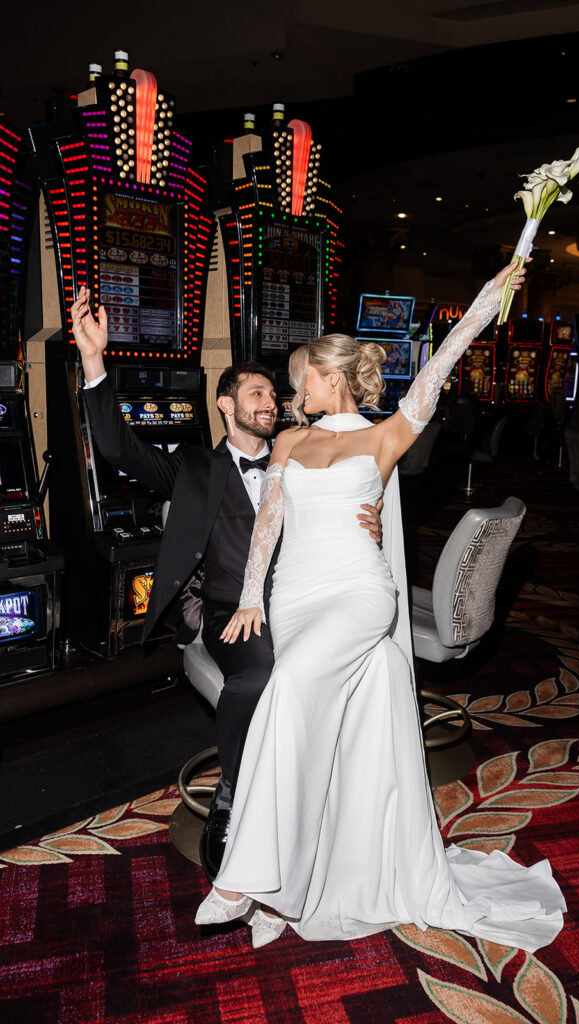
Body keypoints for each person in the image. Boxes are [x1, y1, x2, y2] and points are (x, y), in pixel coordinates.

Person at [195, 260, 566, 951]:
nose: (292, 385)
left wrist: (495, 293)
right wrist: (251, 597)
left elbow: (444, 361)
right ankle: (289, 879)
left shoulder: (384, 436)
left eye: (302, 373)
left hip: (359, 594)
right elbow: (268, 521)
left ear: (330, 376)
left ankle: (245, 880)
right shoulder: (289, 440)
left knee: (290, 687)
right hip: (296, 596)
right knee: (291, 697)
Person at [69, 287, 383, 883]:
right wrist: (93, 360)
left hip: (303, 599)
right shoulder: (193, 467)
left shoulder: (305, 456)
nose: (272, 402)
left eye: (274, 393)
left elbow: (358, 495)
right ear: (224, 405)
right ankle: (233, 799)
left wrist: (371, 518)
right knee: (262, 671)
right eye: (258, 393)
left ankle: (334, 801)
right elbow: (114, 446)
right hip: (227, 611)